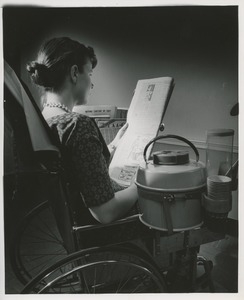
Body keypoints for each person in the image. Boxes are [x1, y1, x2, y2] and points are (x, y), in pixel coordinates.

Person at [26, 37, 138, 224]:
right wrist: (140, 187)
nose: (92, 84)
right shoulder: (77, 124)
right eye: (90, 74)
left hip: (75, 218)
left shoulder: (46, 116)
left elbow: (78, 165)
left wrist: (115, 144)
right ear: (75, 73)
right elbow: (106, 212)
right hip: (103, 225)